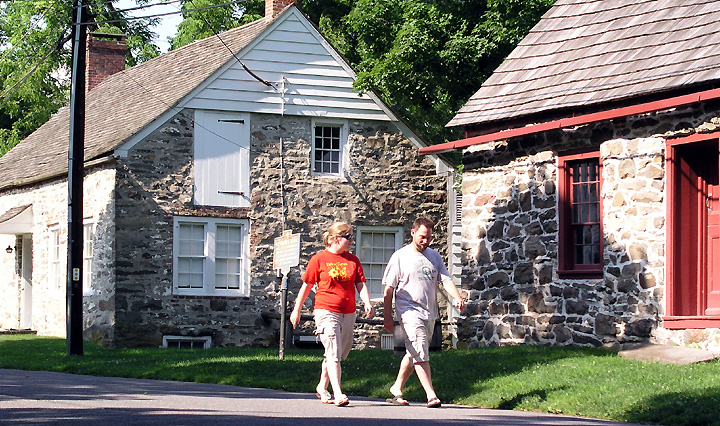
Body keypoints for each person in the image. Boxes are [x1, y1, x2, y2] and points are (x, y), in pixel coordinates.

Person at [382, 216, 464, 408]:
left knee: (414, 352)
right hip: (409, 312)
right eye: (422, 237)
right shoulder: (400, 257)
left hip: (429, 313)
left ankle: (397, 387)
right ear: (413, 233)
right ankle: (431, 395)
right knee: (419, 349)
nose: (425, 241)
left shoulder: (434, 256)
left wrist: (457, 297)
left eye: (428, 237)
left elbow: (445, 280)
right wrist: (387, 317)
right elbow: (388, 289)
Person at [290, 222, 373, 407]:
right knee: (333, 352)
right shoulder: (319, 259)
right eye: (348, 237)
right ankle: (338, 393)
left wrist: (366, 302)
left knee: (337, 353)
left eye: (352, 237)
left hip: (348, 311)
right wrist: (296, 310)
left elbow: (360, 284)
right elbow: (306, 286)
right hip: (326, 310)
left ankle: (322, 385)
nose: (351, 241)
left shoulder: (353, 260)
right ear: (335, 238)